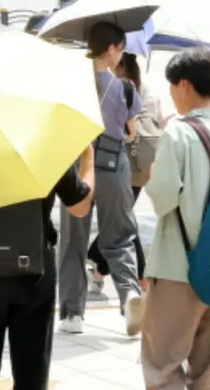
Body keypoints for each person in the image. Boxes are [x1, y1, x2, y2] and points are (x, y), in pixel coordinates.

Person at [141, 46, 210, 389]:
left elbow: (161, 199)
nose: (172, 95)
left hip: (179, 267)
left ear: (185, 85)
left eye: (173, 86)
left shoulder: (178, 133)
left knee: (162, 365)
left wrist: (153, 172)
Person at [0, 146, 96, 389]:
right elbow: (79, 206)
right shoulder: (44, 144)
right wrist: (88, 158)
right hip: (34, 270)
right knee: (31, 369)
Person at [58, 22, 144, 336]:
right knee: (120, 236)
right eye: (120, 49)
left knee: (73, 239)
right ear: (111, 48)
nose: (121, 56)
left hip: (78, 163)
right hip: (113, 162)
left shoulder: (70, 81)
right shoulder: (125, 88)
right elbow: (132, 132)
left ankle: (72, 315)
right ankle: (130, 294)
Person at [87, 52, 158, 294]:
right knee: (125, 222)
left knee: (124, 225)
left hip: (119, 163)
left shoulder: (120, 89)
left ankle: (136, 279)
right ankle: (103, 273)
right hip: (138, 166)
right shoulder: (139, 89)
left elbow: (131, 132)